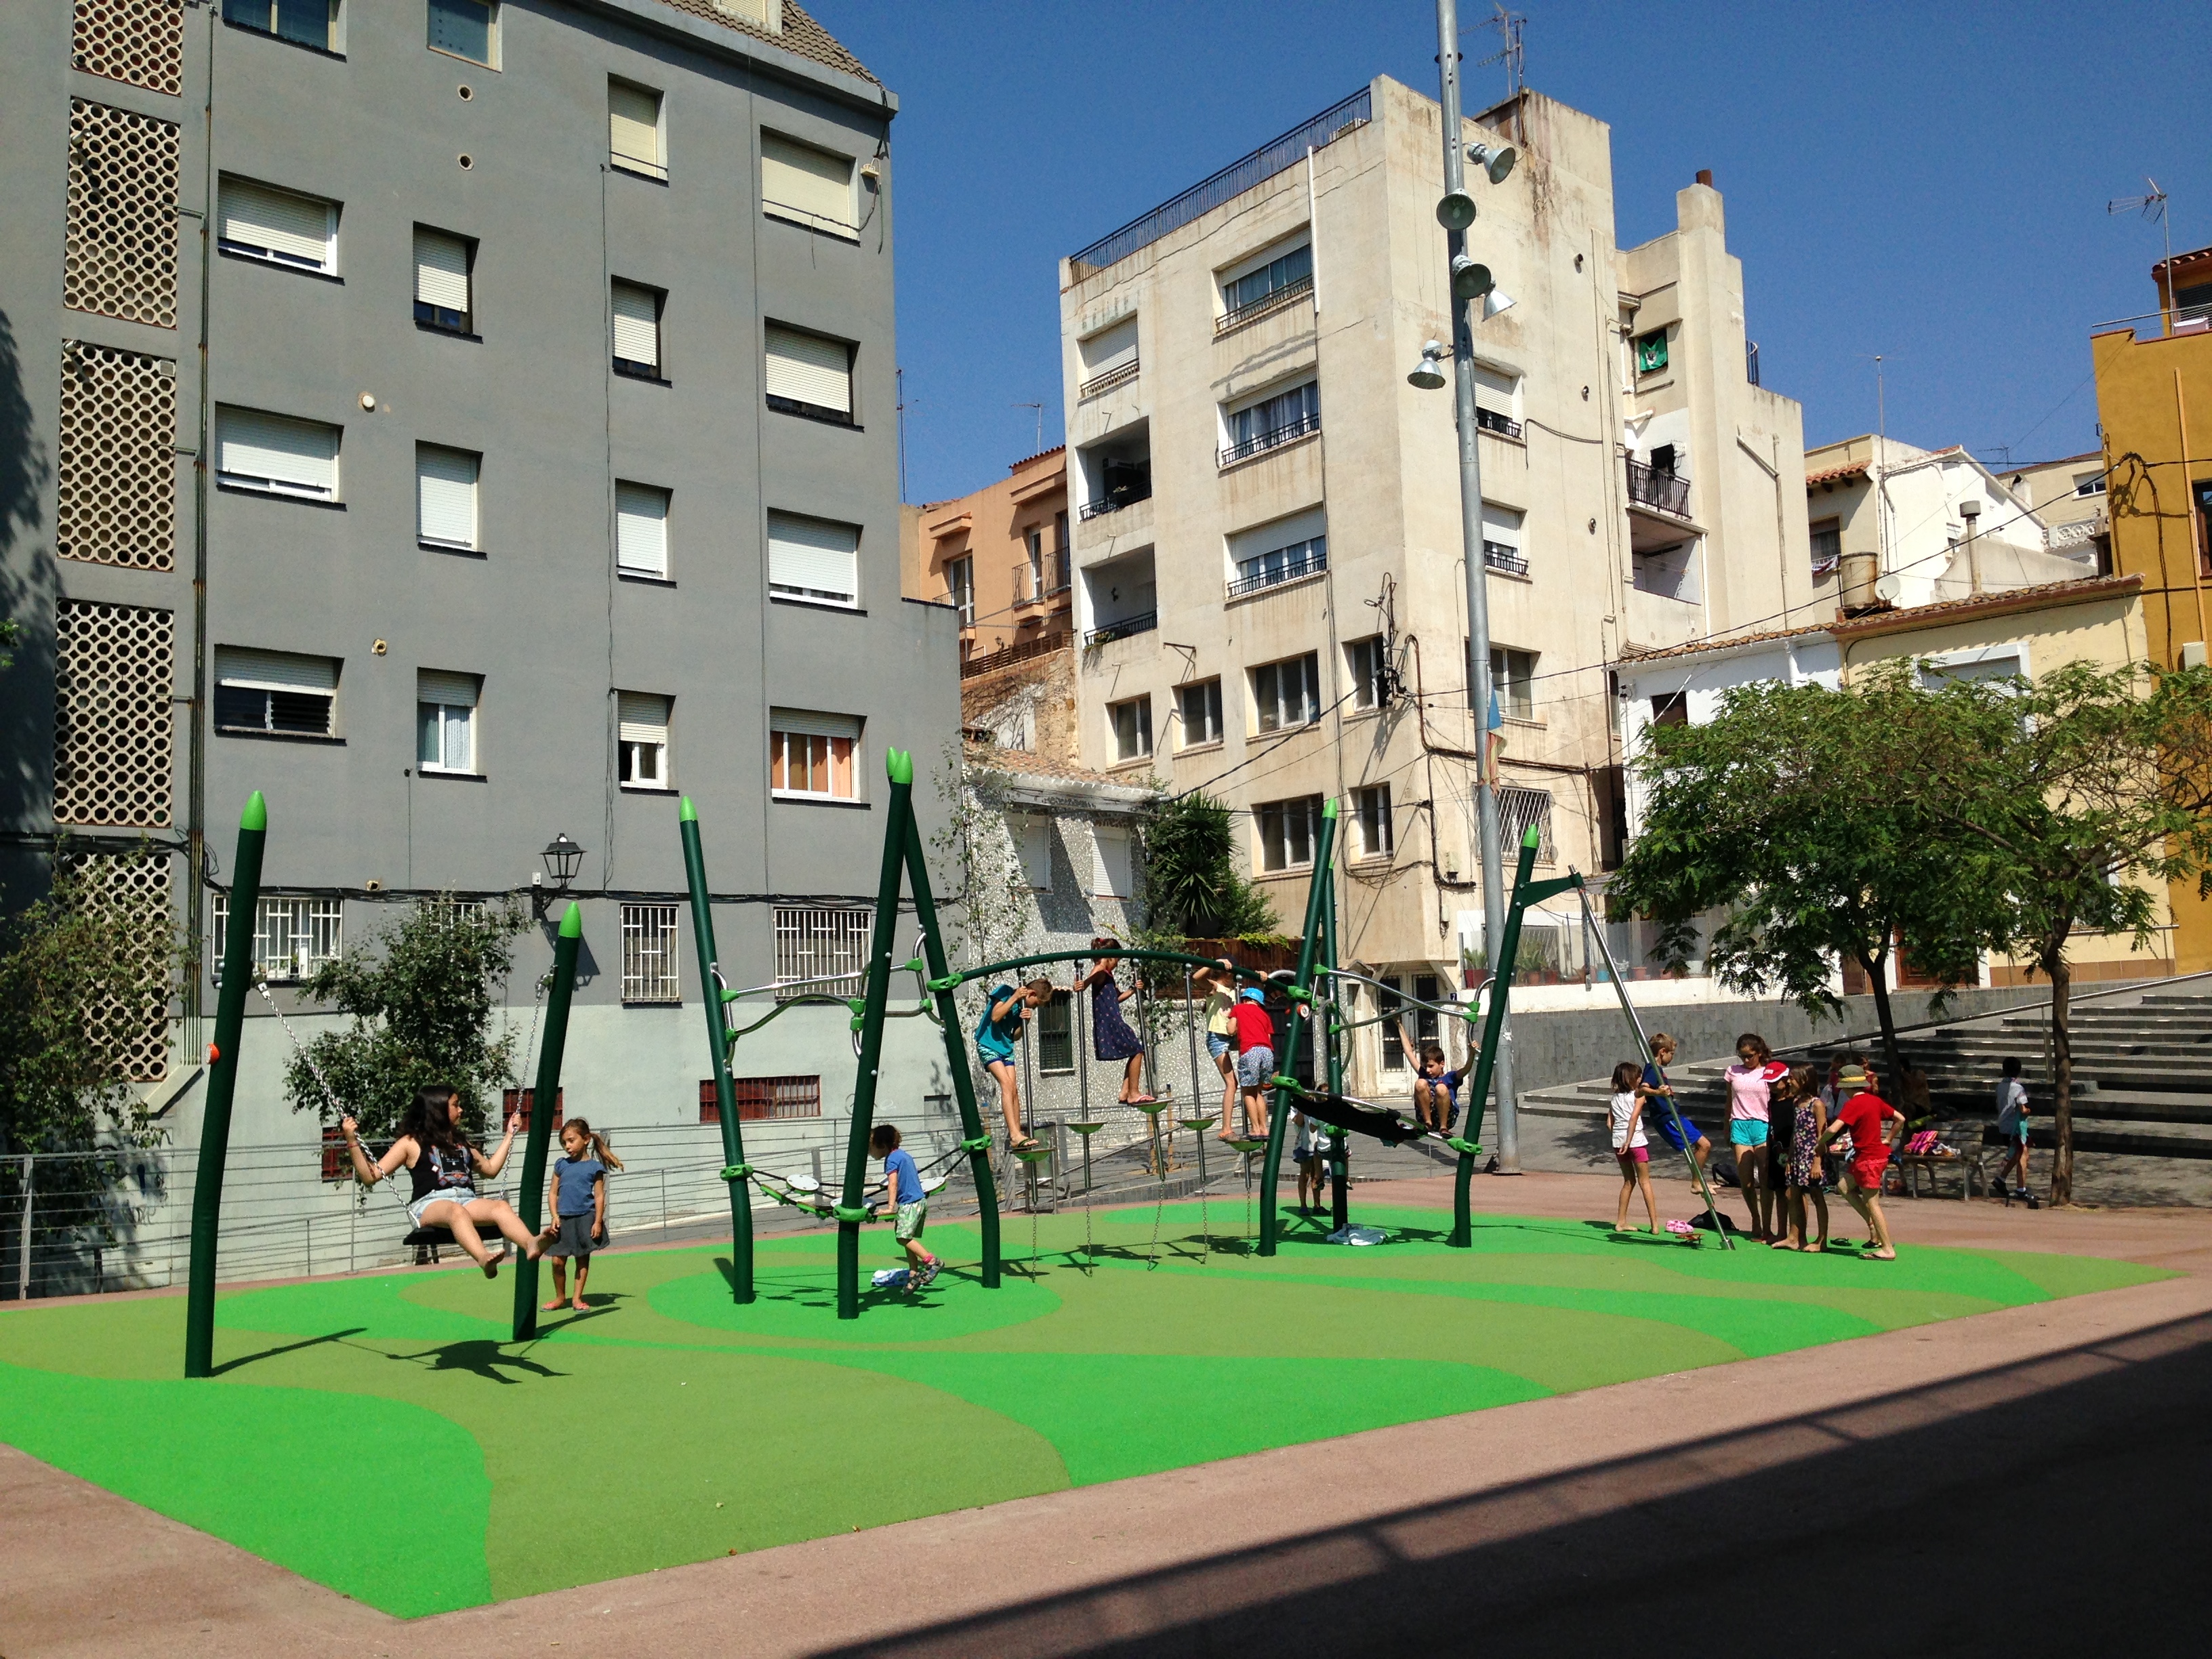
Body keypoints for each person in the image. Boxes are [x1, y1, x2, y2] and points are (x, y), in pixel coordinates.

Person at [341, 1084, 544, 1278]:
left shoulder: (461, 1143)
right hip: (429, 1204)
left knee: (500, 1206)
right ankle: (483, 1258)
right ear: (437, 1109)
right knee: (455, 1211)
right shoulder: (410, 1143)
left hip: (466, 1200)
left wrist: (510, 1135)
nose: (461, 1110)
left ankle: (530, 1243)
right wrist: (352, 1140)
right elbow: (371, 1176)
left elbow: (490, 1170)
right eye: (456, 1105)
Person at [1822, 1063, 1902, 1260]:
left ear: (1847, 1087)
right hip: (1872, 1156)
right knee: (1843, 1187)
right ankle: (1872, 1225)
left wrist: (1819, 1144)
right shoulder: (1874, 1101)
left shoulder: (1853, 1104)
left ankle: (1887, 1248)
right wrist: (1889, 1138)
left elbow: (1833, 1129)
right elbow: (1900, 1119)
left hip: (1868, 1159)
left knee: (1872, 1203)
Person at [540, 1118, 622, 1311]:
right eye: (564, 1143)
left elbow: (600, 1196)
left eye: (571, 1140)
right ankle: (560, 1297)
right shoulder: (561, 1165)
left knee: (582, 1259)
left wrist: (598, 1221)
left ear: (586, 1139)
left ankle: (577, 1299)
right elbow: (552, 1193)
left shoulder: (594, 1168)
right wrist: (554, 1216)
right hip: (563, 1220)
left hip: (585, 1217)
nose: (567, 1146)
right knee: (557, 1262)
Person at [1073, 938, 1157, 1107]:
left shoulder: (1107, 975)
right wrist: (1086, 982)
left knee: (1135, 1050)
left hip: (1112, 1019)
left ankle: (1125, 1092)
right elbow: (1094, 974)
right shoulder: (1101, 970)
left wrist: (1133, 990)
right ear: (1110, 958)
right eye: (1117, 960)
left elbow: (1117, 998)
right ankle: (1133, 1093)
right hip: (1109, 1021)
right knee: (1137, 1050)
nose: (1117, 965)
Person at [975, 977, 1054, 1152]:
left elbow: (1015, 1036)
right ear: (1031, 993)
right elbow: (995, 1017)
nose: (1033, 1007)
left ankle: (1018, 1134)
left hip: (1006, 1048)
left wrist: (1025, 1022)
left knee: (1014, 1089)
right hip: (988, 1044)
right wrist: (1014, 998)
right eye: (1035, 1004)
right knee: (1007, 1084)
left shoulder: (1023, 1007)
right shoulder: (1005, 992)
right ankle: (1014, 1135)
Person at [1724, 1033, 1788, 1240]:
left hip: (1762, 1125)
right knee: (1746, 1181)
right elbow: (1729, 1101)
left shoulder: (1767, 1073)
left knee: (1765, 1179)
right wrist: (1726, 1127)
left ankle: (1767, 1227)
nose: (1745, 1060)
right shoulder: (1732, 1072)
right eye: (1742, 1056)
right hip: (1739, 1125)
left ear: (1759, 1053)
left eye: (1749, 1056)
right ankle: (1755, 1218)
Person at [870, 1123, 939, 1291]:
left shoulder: (891, 1160)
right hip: (919, 1202)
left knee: (902, 1237)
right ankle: (913, 1273)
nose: (869, 1152)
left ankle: (932, 1261)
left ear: (883, 1146)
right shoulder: (903, 1155)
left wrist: (890, 1207)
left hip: (909, 1204)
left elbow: (892, 1184)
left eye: (871, 1148)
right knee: (906, 1239)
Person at [1637, 1033, 1712, 1183]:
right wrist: (1658, 1092)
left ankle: (1698, 1181)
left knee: (1703, 1146)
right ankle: (1697, 1182)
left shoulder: (1655, 1069)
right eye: (1672, 1054)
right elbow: (1641, 1090)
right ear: (1662, 1052)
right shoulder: (1653, 1069)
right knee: (1704, 1145)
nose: (1672, 1057)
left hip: (1673, 1114)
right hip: (1667, 1117)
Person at [1773, 1065, 1829, 1251]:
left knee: (1816, 1196)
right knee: (1793, 1194)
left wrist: (1817, 1161)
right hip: (1797, 1156)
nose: (1789, 1082)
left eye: (1793, 1079)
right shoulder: (1797, 1102)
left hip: (1812, 1156)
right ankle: (1795, 1237)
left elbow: (1822, 1136)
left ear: (1804, 1080)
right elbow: (1795, 1133)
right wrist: (1790, 1159)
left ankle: (1822, 1240)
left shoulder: (1817, 1104)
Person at [1608, 1061, 1658, 1233]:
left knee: (1629, 1181)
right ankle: (1654, 1225)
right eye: (1638, 1077)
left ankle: (1621, 1221)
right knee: (1645, 1181)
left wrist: (1620, 1137)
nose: (1640, 1080)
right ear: (1632, 1079)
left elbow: (1610, 1123)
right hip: (1635, 1141)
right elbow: (1634, 1118)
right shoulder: (1638, 1095)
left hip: (1618, 1142)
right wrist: (1629, 1139)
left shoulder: (1615, 1098)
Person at [1194, 959, 1241, 1130]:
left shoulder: (1235, 990)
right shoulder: (1214, 987)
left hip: (1232, 1036)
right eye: (1229, 970)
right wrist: (1214, 963)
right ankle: (1226, 1128)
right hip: (1218, 1037)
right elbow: (1196, 977)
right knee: (1232, 1083)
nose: (1232, 973)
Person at [1225, 987, 1275, 1143]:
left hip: (1250, 1051)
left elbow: (1230, 1030)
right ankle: (1264, 1128)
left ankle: (1255, 1129)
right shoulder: (1265, 1015)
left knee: (1247, 1091)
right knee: (1258, 1092)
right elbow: (1268, 1037)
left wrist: (1230, 1018)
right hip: (1267, 1053)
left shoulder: (1239, 1008)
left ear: (1245, 999)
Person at [1395, 1025, 1463, 1134]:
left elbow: (1465, 1070)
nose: (1427, 1070)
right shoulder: (1424, 1073)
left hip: (1447, 1117)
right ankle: (1427, 1123)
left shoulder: (1450, 1077)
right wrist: (1399, 1024)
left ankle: (1443, 1127)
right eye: (1426, 1066)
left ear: (1442, 1064)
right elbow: (1408, 1052)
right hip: (1427, 1116)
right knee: (1420, 1083)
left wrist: (1472, 1053)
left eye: (1431, 1066)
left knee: (1441, 1088)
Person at [1993, 1056, 2032, 1201]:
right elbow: (2022, 1109)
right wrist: (2028, 1111)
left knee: (2019, 1154)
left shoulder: (2000, 1086)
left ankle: (2001, 1179)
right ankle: (2020, 1189)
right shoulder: (2018, 1088)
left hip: (2003, 1125)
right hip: (2015, 1128)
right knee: (2022, 1155)